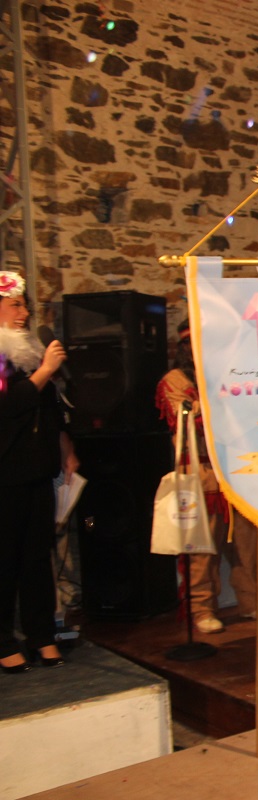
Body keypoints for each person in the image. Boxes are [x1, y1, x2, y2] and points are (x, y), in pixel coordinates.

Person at [155, 319, 258, 634]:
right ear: (184, 347)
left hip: (237, 469)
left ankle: (250, 602)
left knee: (247, 544)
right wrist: (217, 404)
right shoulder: (174, 380)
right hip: (201, 471)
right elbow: (186, 422)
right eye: (193, 343)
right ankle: (201, 609)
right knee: (202, 548)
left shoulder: (231, 375)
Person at [0, 272, 73, 673]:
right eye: (15, 305)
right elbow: (9, 405)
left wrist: (65, 448)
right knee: (5, 560)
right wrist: (45, 370)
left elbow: (47, 407)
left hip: (37, 471)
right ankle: (2, 642)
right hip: (5, 476)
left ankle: (41, 634)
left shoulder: (28, 353)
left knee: (36, 559)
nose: (24, 313)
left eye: (25, 305)